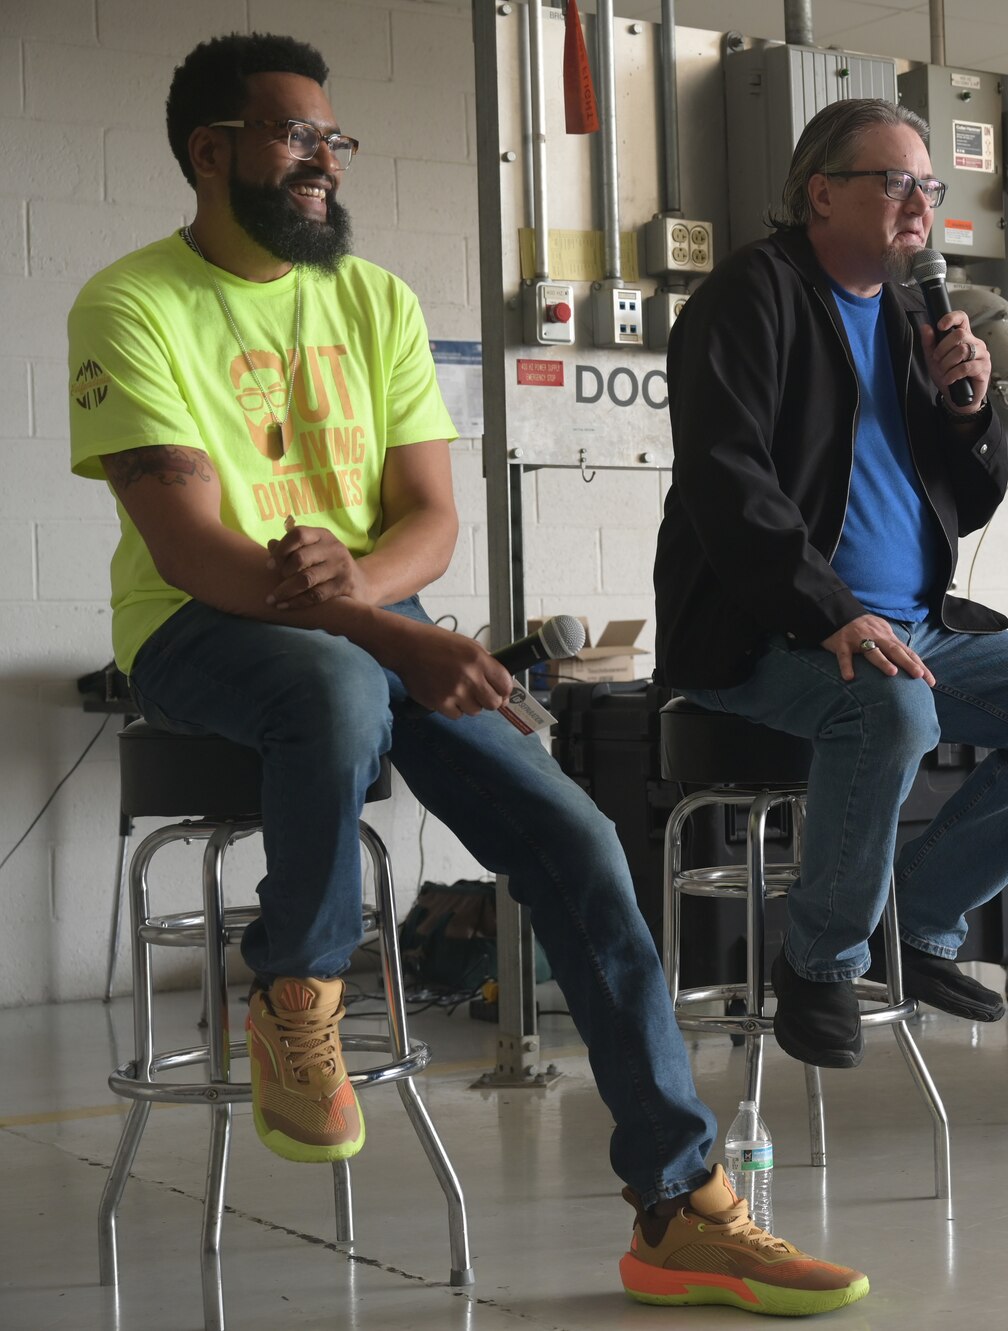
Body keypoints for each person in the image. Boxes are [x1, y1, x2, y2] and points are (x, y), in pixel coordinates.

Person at [69, 34, 866, 1315]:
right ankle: (297, 981)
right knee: (330, 688)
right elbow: (191, 545)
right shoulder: (131, 302)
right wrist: (392, 634)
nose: (325, 161)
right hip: (200, 625)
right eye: (294, 136)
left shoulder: (373, 300)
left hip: (384, 609)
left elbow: (430, 520)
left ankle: (681, 1206)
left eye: (336, 138)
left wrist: (374, 603)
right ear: (210, 154)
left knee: (579, 839)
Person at [655, 99, 1008, 1062]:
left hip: (915, 624)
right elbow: (726, 476)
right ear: (820, 193)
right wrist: (833, 613)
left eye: (930, 186)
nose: (920, 204)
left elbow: (973, 497)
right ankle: (820, 961)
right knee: (896, 712)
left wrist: (968, 414)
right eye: (896, 182)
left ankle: (913, 918)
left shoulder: (922, 310)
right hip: (767, 632)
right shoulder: (751, 296)